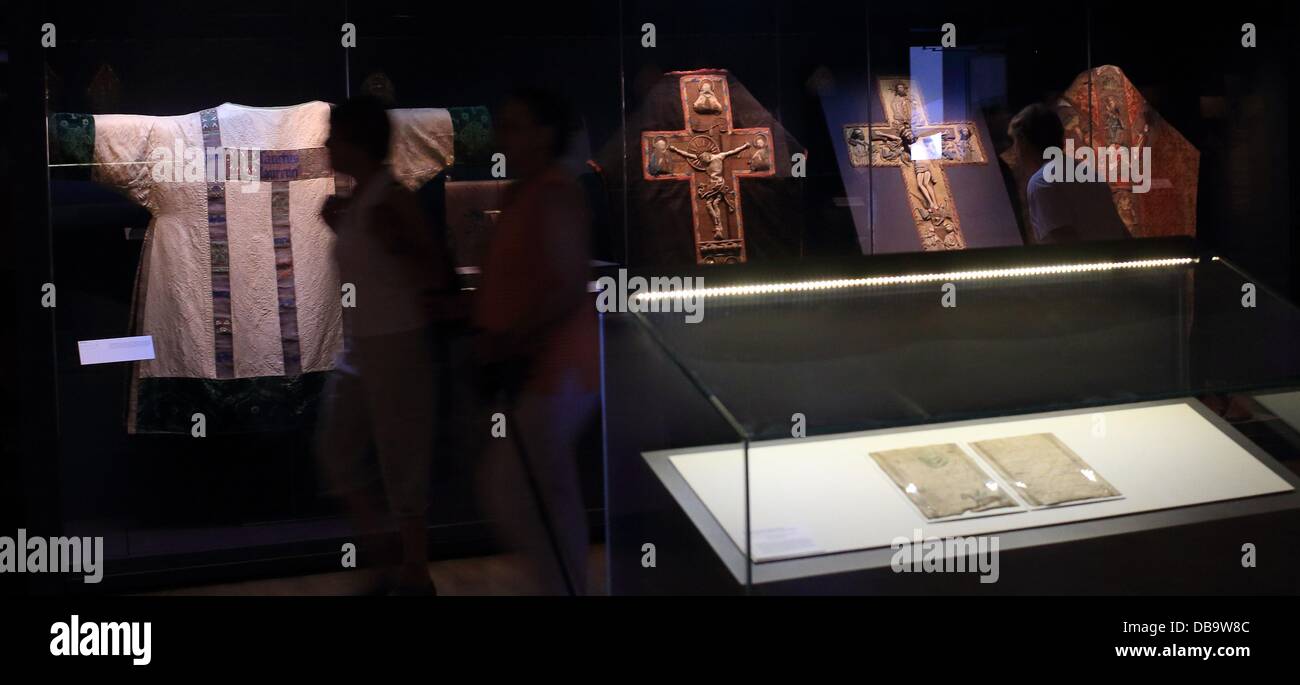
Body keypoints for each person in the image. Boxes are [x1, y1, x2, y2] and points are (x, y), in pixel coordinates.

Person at [317, 96, 456, 596]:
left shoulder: (390, 198)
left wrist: (387, 240)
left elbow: (431, 268)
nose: (328, 144)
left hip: (397, 343)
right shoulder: (363, 198)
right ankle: (386, 558)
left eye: (335, 135)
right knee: (338, 449)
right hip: (362, 345)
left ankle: (414, 573)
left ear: (356, 143)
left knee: (402, 459)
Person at [474, 88, 598, 595]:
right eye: (504, 125)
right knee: (534, 491)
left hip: (558, 369)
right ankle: (563, 586)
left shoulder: (553, 192)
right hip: (539, 368)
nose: (506, 136)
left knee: (525, 490)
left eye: (517, 125)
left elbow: (568, 284)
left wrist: (512, 340)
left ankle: (565, 587)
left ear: (546, 134)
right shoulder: (525, 192)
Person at [1008, 103, 1131, 244]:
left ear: (1024, 142)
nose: (1015, 151)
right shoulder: (1089, 174)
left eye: (1015, 143)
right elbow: (1123, 236)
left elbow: (1064, 249)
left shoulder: (1042, 182)